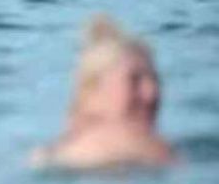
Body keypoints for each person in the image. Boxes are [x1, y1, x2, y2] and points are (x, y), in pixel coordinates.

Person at [29, 15, 175, 170]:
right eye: (134, 81)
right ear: (93, 91)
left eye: (154, 79)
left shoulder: (45, 155)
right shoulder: (151, 152)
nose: (151, 93)